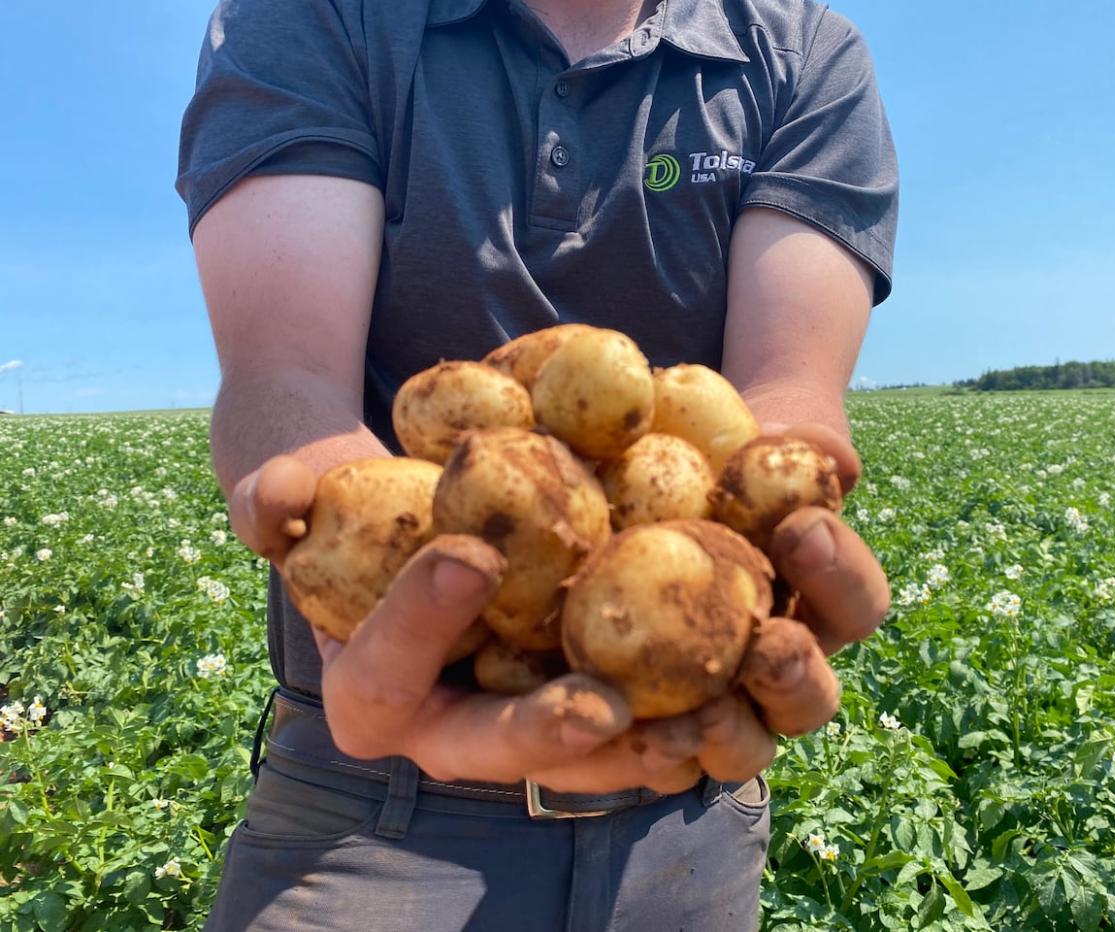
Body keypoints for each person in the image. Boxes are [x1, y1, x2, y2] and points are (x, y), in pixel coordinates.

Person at [176, 0, 897, 926]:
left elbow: (786, 395)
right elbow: (285, 372)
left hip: (689, 803)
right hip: (363, 806)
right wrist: (319, 476)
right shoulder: (317, 16)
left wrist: (779, 510)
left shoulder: (797, 51)